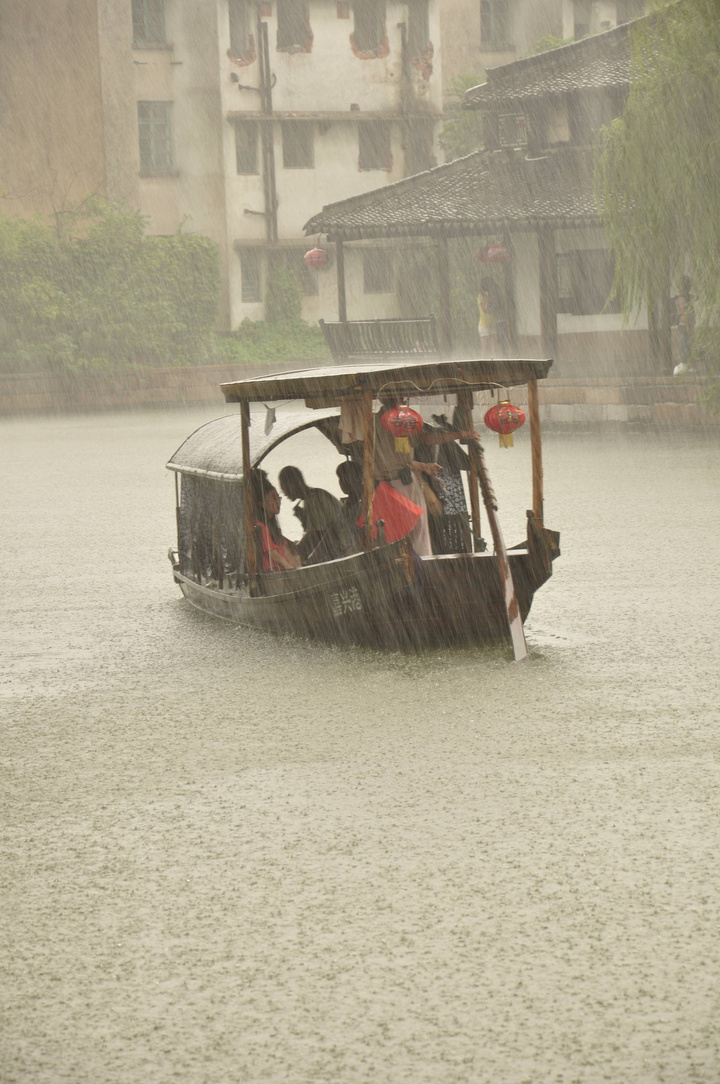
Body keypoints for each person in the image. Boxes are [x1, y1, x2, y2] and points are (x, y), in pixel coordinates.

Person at [374, 397, 480, 557]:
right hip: (399, 486)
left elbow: (404, 459)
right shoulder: (397, 420)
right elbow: (426, 438)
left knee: (396, 535)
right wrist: (461, 434)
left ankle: (412, 566)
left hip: (390, 484)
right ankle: (420, 565)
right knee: (415, 534)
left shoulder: (378, 421)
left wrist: (424, 467)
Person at [278, 466, 342, 561]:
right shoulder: (310, 498)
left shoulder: (315, 498)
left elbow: (318, 534)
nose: (284, 493)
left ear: (293, 484)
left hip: (339, 546)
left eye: (284, 489)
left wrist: (308, 558)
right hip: (333, 543)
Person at [306, 461, 364, 563]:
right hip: (344, 552)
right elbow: (332, 531)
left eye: (344, 478)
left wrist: (347, 556)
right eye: (340, 479)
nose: (341, 483)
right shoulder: (349, 503)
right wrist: (313, 557)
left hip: (357, 555)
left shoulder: (364, 502)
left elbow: (366, 536)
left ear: (356, 478)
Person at [250, 469, 302, 573]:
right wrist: (288, 566)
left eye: (278, 498)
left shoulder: (272, 527)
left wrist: (297, 568)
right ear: (262, 503)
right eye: (273, 499)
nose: (278, 502)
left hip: (281, 571)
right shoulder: (261, 527)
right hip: (272, 572)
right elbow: (273, 554)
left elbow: (285, 551)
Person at [477, 277, 497, 359]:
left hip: (492, 322)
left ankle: (493, 360)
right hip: (484, 324)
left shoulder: (492, 295)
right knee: (484, 346)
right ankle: (482, 362)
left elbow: (494, 308)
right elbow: (484, 310)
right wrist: (488, 300)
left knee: (494, 345)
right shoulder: (480, 296)